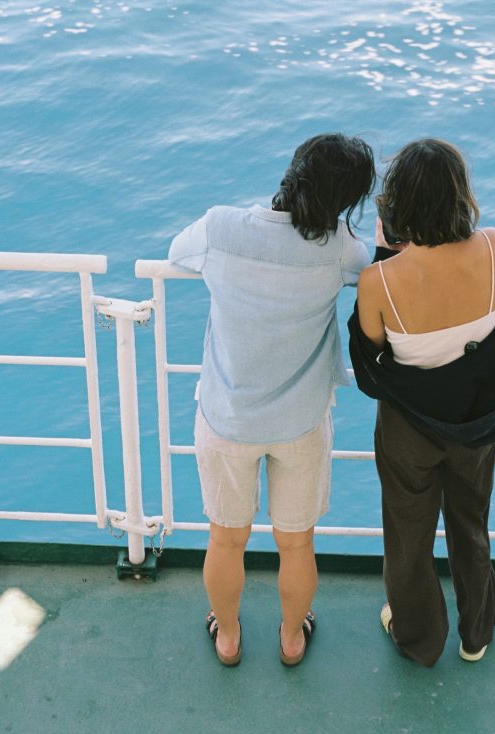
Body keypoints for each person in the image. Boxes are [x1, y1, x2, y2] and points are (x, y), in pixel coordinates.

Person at [169, 133, 375, 667]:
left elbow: (176, 253)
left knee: (226, 539)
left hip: (227, 417)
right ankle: (290, 637)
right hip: (301, 422)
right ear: (345, 201)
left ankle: (230, 637)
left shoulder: (220, 228)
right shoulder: (342, 252)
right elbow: (369, 269)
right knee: (297, 544)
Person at [350, 138, 495, 666]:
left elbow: (373, 360)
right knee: (470, 520)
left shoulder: (377, 281)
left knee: (408, 534)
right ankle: (476, 632)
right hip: (477, 422)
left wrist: (389, 256)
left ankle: (419, 637)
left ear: (397, 205)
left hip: (410, 429)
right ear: (461, 195)